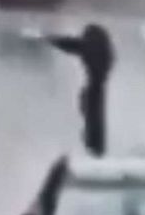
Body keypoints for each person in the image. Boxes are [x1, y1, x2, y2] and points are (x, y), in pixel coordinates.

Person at [36, 24, 115, 156]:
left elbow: (72, 45)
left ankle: (94, 147)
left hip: (94, 85)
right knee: (93, 115)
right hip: (96, 84)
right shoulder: (103, 49)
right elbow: (73, 45)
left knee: (92, 115)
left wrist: (49, 39)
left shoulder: (93, 46)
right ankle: (95, 146)